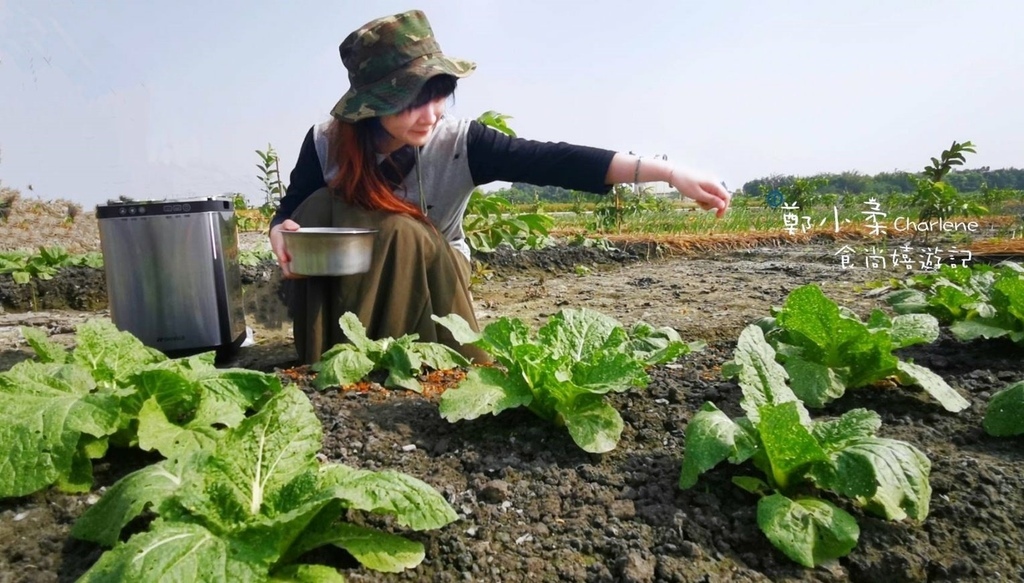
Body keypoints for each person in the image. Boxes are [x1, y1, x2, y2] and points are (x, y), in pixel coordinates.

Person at [270, 9, 731, 365]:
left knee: (400, 230)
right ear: (372, 106)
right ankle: (335, 357)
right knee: (318, 209)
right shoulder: (327, 142)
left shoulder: (460, 142)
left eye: (437, 96)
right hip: (356, 268)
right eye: (413, 100)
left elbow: (554, 160)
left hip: (436, 271)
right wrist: (280, 232)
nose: (430, 114)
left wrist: (669, 174)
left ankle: (408, 361)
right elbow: (292, 209)